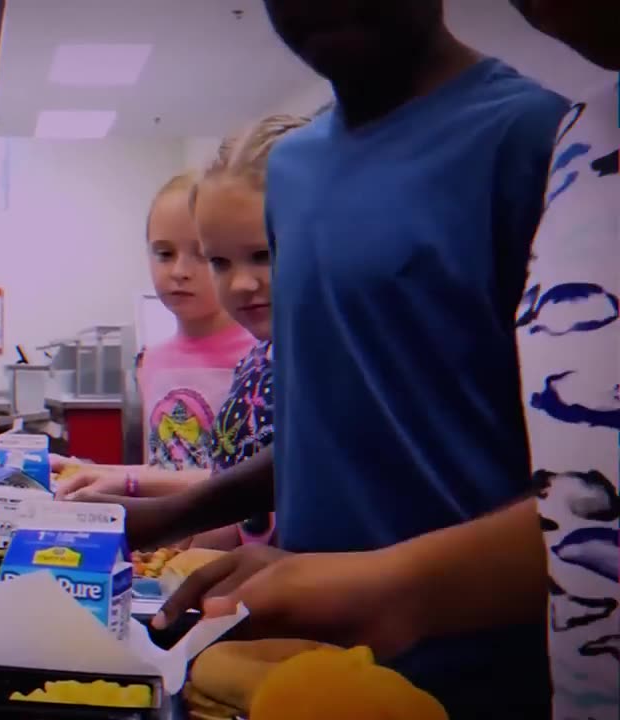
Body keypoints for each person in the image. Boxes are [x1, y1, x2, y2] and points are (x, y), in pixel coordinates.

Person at [79, 2, 571, 717]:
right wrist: (166, 516)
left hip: (479, 671)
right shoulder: (297, 172)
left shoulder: (535, 139)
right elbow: (335, 419)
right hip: (303, 666)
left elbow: (591, 474)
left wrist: (389, 587)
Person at [59, 116, 309, 549]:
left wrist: (136, 489)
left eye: (262, 255)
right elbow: (237, 497)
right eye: (221, 262)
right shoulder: (257, 362)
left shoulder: (327, 366)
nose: (241, 283)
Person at [52, 172, 255, 495]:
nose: (178, 272)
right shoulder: (152, 360)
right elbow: (164, 469)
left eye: (201, 255)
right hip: (168, 540)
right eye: (164, 253)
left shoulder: (259, 358)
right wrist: (87, 471)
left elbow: (242, 480)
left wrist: (125, 483)